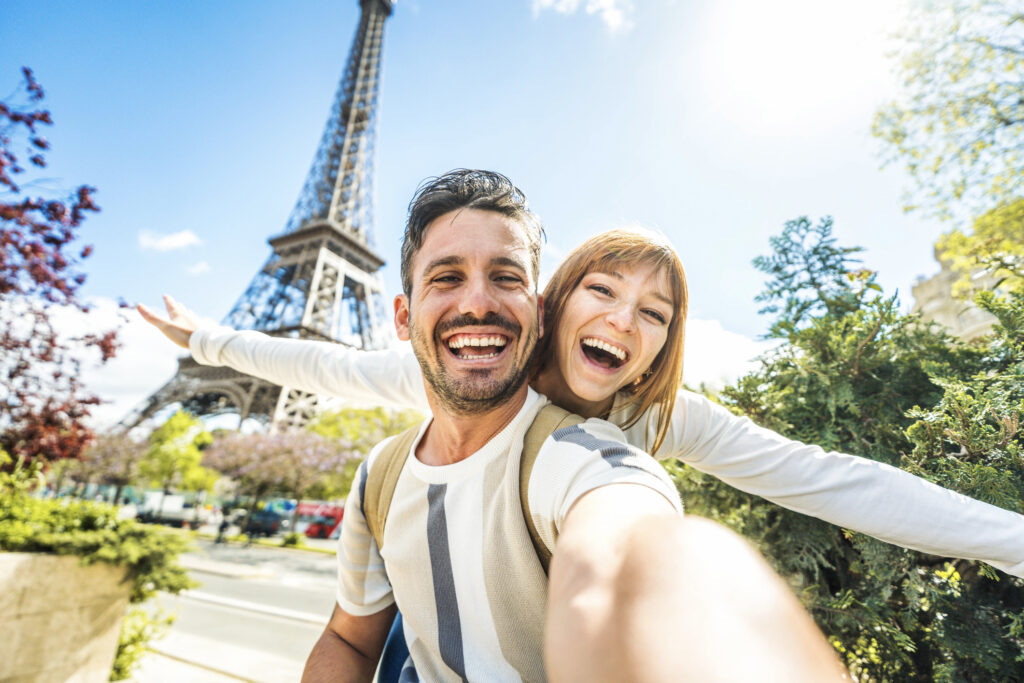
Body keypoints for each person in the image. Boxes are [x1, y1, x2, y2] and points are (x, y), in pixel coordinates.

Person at [143, 170, 849, 681]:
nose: (477, 302)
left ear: (539, 310)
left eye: (506, 277)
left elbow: (634, 546)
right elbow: (349, 638)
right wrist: (206, 341)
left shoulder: (588, 454)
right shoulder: (381, 476)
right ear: (400, 316)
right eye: (447, 277)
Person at [141, 232, 1024, 580]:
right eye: (602, 290)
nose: (623, 321)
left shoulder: (662, 416)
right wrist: (209, 343)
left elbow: (834, 482)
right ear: (557, 302)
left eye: (654, 312)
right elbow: (321, 364)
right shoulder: (473, 369)